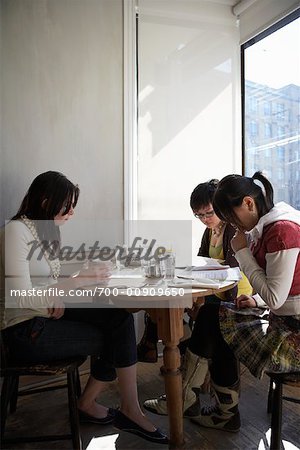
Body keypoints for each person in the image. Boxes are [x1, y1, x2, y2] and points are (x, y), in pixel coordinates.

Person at [0, 171, 168, 445]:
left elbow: (46, 279)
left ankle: (114, 407)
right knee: (115, 338)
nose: (71, 212)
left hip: (41, 316)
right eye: (68, 206)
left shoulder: (40, 231)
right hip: (22, 332)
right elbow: (20, 297)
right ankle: (109, 407)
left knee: (117, 317)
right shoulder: (16, 232)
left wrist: (81, 273)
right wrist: (76, 281)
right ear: (45, 202)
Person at [164, 170, 299, 433]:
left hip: (292, 335)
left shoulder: (282, 231)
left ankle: (196, 401)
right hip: (285, 320)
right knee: (215, 317)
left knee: (217, 321)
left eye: (230, 218)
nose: (233, 226)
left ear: (248, 203)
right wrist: (257, 300)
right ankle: (203, 403)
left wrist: (242, 253)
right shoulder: (274, 226)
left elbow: (277, 297)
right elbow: (282, 290)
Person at [142, 179, 253, 416]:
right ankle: (183, 380)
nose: (205, 219)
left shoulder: (232, 230)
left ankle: (180, 385)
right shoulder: (210, 231)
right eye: (198, 215)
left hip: (236, 298)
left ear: (221, 206)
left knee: (203, 318)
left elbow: (232, 278)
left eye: (209, 212)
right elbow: (202, 263)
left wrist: (204, 303)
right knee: (163, 305)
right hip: (215, 294)